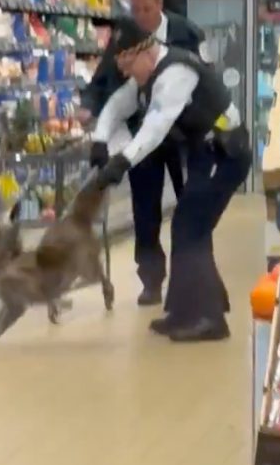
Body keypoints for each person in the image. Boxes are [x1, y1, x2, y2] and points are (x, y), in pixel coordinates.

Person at [91, 19, 251, 342]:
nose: (127, 74)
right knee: (187, 224)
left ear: (145, 51)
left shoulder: (176, 73)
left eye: (128, 66)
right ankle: (183, 310)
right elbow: (118, 105)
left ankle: (210, 319)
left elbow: (155, 127)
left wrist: (121, 162)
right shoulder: (153, 70)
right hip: (206, 153)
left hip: (227, 154)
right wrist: (99, 138)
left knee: (191, 226)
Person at [81, 0, 212, 307]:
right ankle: (151, 280)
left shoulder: (188, 32)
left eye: (147, 10)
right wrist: (92, 112)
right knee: (145, 211)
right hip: (141, 137)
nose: (141, 16)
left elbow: (208, 73)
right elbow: (106, 85)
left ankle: (194, 277)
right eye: (135, 10)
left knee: (191, 208)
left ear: (160, 5)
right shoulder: (125, 38)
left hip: (184, 135)